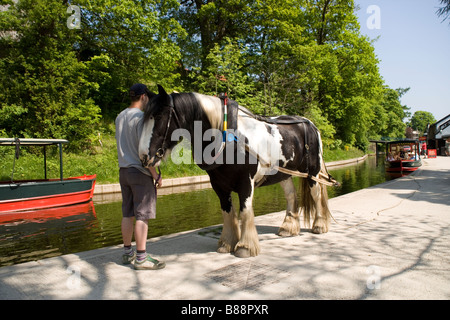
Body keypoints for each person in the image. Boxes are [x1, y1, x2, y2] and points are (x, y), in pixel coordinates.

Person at [115, 83, 165, 270]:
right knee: (142, 216)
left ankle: (128, 253)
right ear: (144, 96)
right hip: (140, 172)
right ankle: (141, 258)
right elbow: (144, 150)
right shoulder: (141, 118)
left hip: (124, 171)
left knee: (127, 214)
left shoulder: (120, 116)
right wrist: (156, 175)